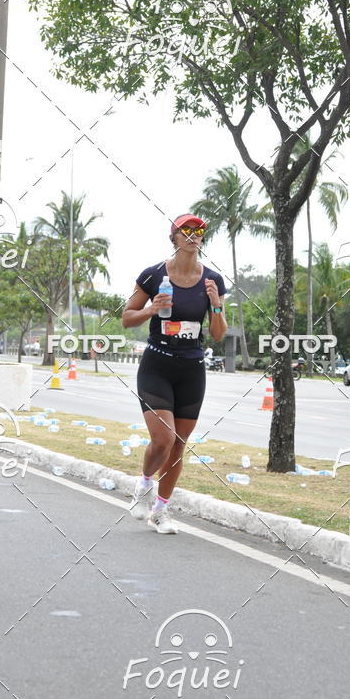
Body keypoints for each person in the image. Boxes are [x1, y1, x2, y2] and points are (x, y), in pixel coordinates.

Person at [122, 213, 227, 533]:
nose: (193, 235)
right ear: (174, 237)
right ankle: (142, 486)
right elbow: (127, 318)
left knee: (179, 444)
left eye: (199, 231)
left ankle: (161, 510)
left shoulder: (212, 280)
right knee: (163, 438)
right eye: (186, 230)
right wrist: (151, 310)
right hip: (157, 365)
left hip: (192, 369)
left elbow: (219, 334)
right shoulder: (154, 275)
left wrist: (216, 305)